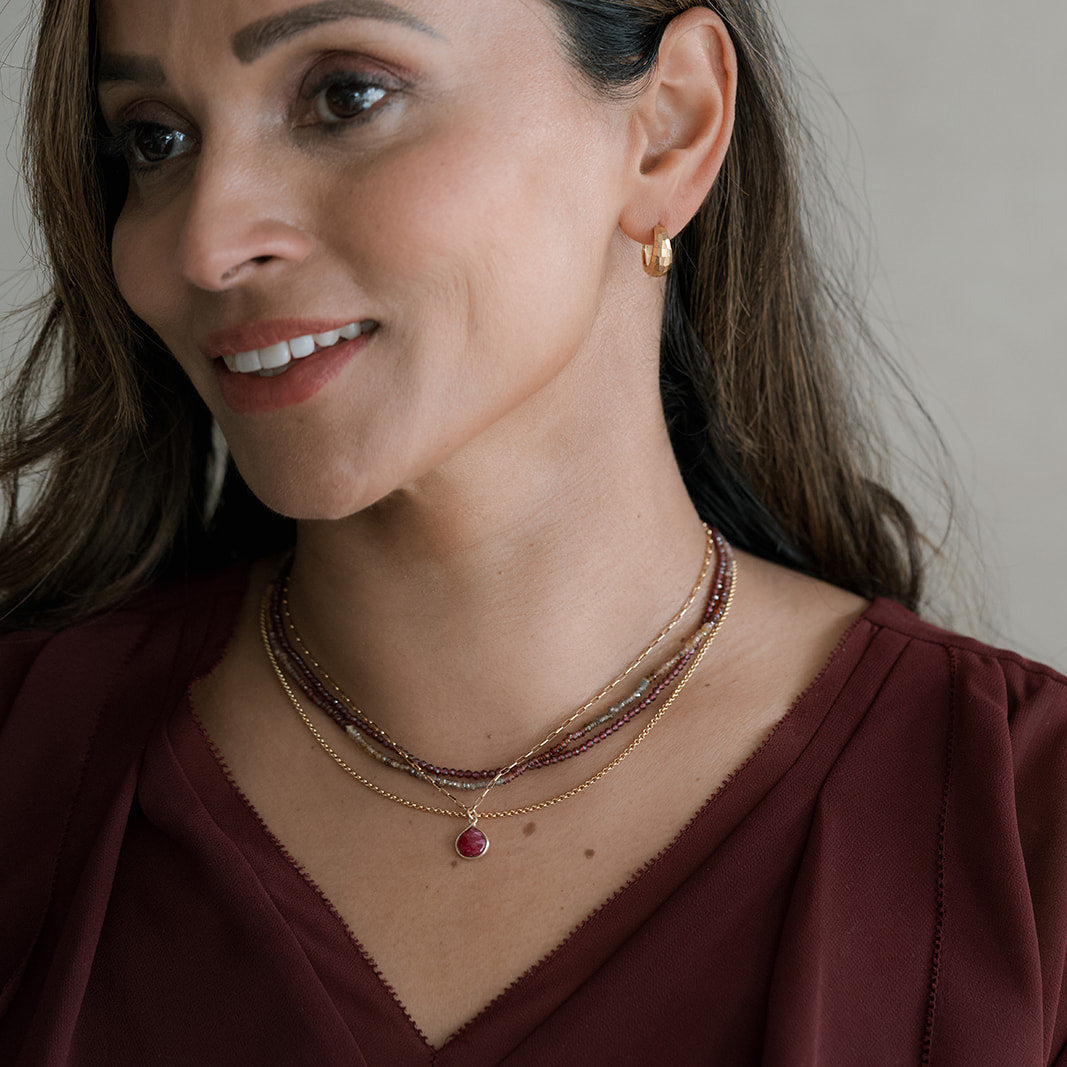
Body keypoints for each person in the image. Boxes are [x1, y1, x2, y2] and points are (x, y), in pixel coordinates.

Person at [0, 0, 1064, 1062]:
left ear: (669, 126)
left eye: (345, 96)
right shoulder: (26, 770)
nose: (206, 243)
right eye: (156, 140)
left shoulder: (1029, 842)